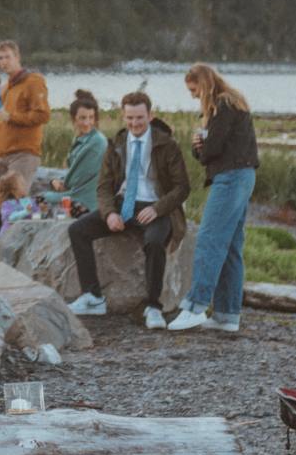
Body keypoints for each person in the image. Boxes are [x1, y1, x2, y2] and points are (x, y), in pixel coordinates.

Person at [69, 90, 190, 321]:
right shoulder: (115, 144)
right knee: (77, 230)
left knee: (155, 242)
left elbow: (182, 187)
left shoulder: (167, 145)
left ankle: (153, 307)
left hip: (155, 207)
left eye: (140, 118)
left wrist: (157, 208)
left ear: (150, 116)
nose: (135, 123)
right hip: (123, 205)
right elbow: (103, 186)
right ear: (123, 117)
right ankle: (93, 297)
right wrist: (109, 213)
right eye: (130, 118)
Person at [166, 65, 258, 334]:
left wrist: (199, 146)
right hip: (243, 176)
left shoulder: (221, 105)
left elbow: (212, 150)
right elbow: (214, 149)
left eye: (193, 90)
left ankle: (195, 306)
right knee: (230, 246)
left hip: (230, 178)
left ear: (203, 84)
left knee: (209, 238)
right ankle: (227, 315)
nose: (193, 96)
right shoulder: (234, 102)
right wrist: (202, 149)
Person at [0, 42, 48, 200]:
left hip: (24, 155)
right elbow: (5, 121)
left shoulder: (34, 82)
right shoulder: (6, 88)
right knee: (5, 205)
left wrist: (10, 117)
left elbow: (42, 115)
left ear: (17, 57)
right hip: (6, 157)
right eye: (0, 58)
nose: (4, 61)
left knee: (14, 202)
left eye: (8, 57)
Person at [57, 91, 108, 215]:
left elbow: (74, 180)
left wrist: (58, 182)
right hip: (78, 193)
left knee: (41, 199)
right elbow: (74, 171)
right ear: (74, 118)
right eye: (83, 118)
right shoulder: (80, 138)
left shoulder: (96, 142)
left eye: (91, 117)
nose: (87, 123)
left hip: (88, 200)